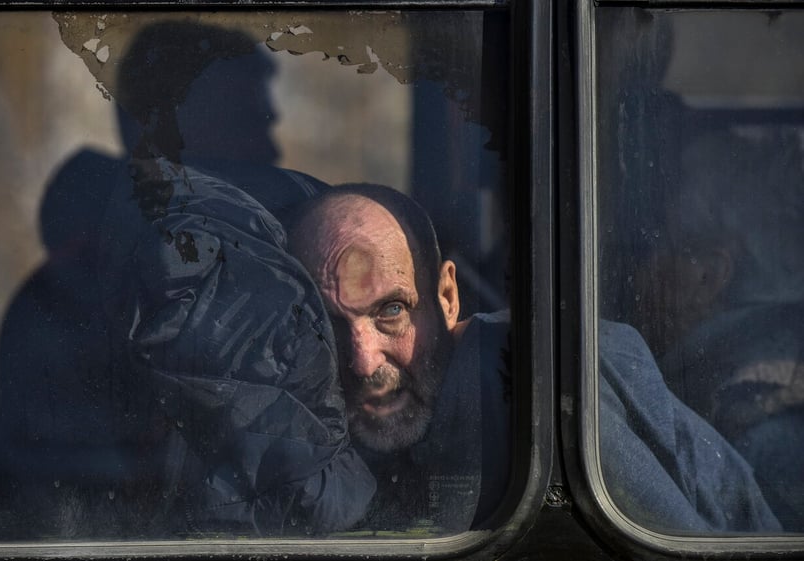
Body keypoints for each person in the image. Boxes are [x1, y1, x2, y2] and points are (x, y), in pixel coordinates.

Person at [0, 20, 375, 538]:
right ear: (161, 129)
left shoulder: (272, 272)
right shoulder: (90, 300)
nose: (272, 142)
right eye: (245, 117)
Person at [287, 182, 782, 534]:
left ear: (447, 297)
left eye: (391, 311)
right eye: (327, 324)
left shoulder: (534, 390)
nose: (364, 361)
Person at [632, 129, 804, 530]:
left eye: (652, 247)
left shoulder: (757, 433)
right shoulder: (729, 387)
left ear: (710, 274)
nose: (638, 273)